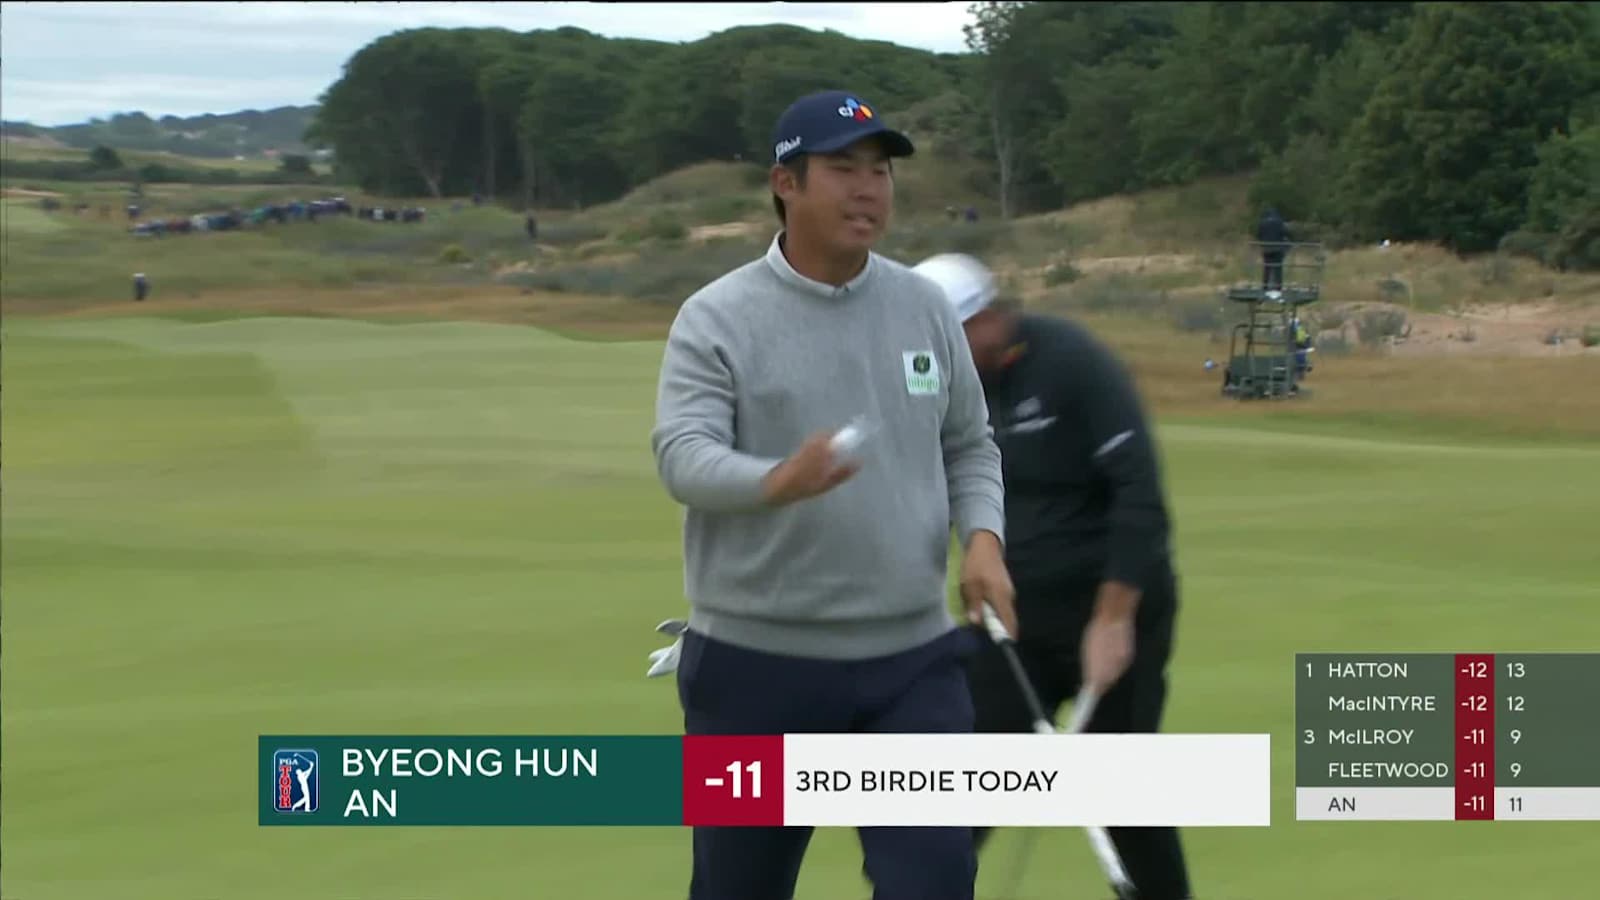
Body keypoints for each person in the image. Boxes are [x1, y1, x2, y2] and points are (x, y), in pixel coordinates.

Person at [650, 91, 1016, 900]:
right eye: (843, 169)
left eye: (880, 171)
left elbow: (968, 442)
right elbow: (684, 456)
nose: (868, 189)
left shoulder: (922, 306)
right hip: (754, 668)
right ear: (786, 182)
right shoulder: (716, 316)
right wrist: (776, 481)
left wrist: (983, 540)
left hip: (911, 662)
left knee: (935, 881)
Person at [912, 253, 1194, 900]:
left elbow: (1140, 492)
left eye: (953, 334)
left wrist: (1115, 617)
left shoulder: (1072, 360)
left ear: (988, 316)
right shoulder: (949, 387)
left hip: (1116, 608)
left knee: (1121, 797)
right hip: (1010, 623)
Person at [1256, 206, 1291, 290]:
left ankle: (1265, 286)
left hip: (1266, 249)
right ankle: (1278, 287)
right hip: (1277, 248)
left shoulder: (1262, 222)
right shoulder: (1279, 222)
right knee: (1278, 268)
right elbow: (1285, 233)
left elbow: (1259, 234)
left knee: (1267, 268)